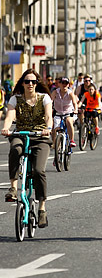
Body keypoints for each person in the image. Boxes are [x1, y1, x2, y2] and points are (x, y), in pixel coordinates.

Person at [2, 69, 53, 227]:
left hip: (40, 137)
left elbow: (48, 116)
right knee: (15, 150)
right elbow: (10, 116)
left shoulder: (44, 98)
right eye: (27, 81)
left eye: (33, 82)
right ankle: (13, 187)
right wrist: (6, 128)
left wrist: (48, 128)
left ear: (37, 84)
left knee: (38, 171)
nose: (30, 84)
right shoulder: (15, 99)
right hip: (21, 134)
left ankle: (42, 209)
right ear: (22, 83)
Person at [51, 76, 78, 148]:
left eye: (66, 83)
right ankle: (55, 142)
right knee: (55, 126)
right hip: (58, 113)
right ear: (59, 84)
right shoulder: (55, 92)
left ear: (68, 85)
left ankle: (72, 140)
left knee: (68, 121)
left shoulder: (70, 93)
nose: (64, 85)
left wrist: (75, 110)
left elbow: (75, 103)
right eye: (63, 83)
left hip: (69, 113)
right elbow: (51, 101)